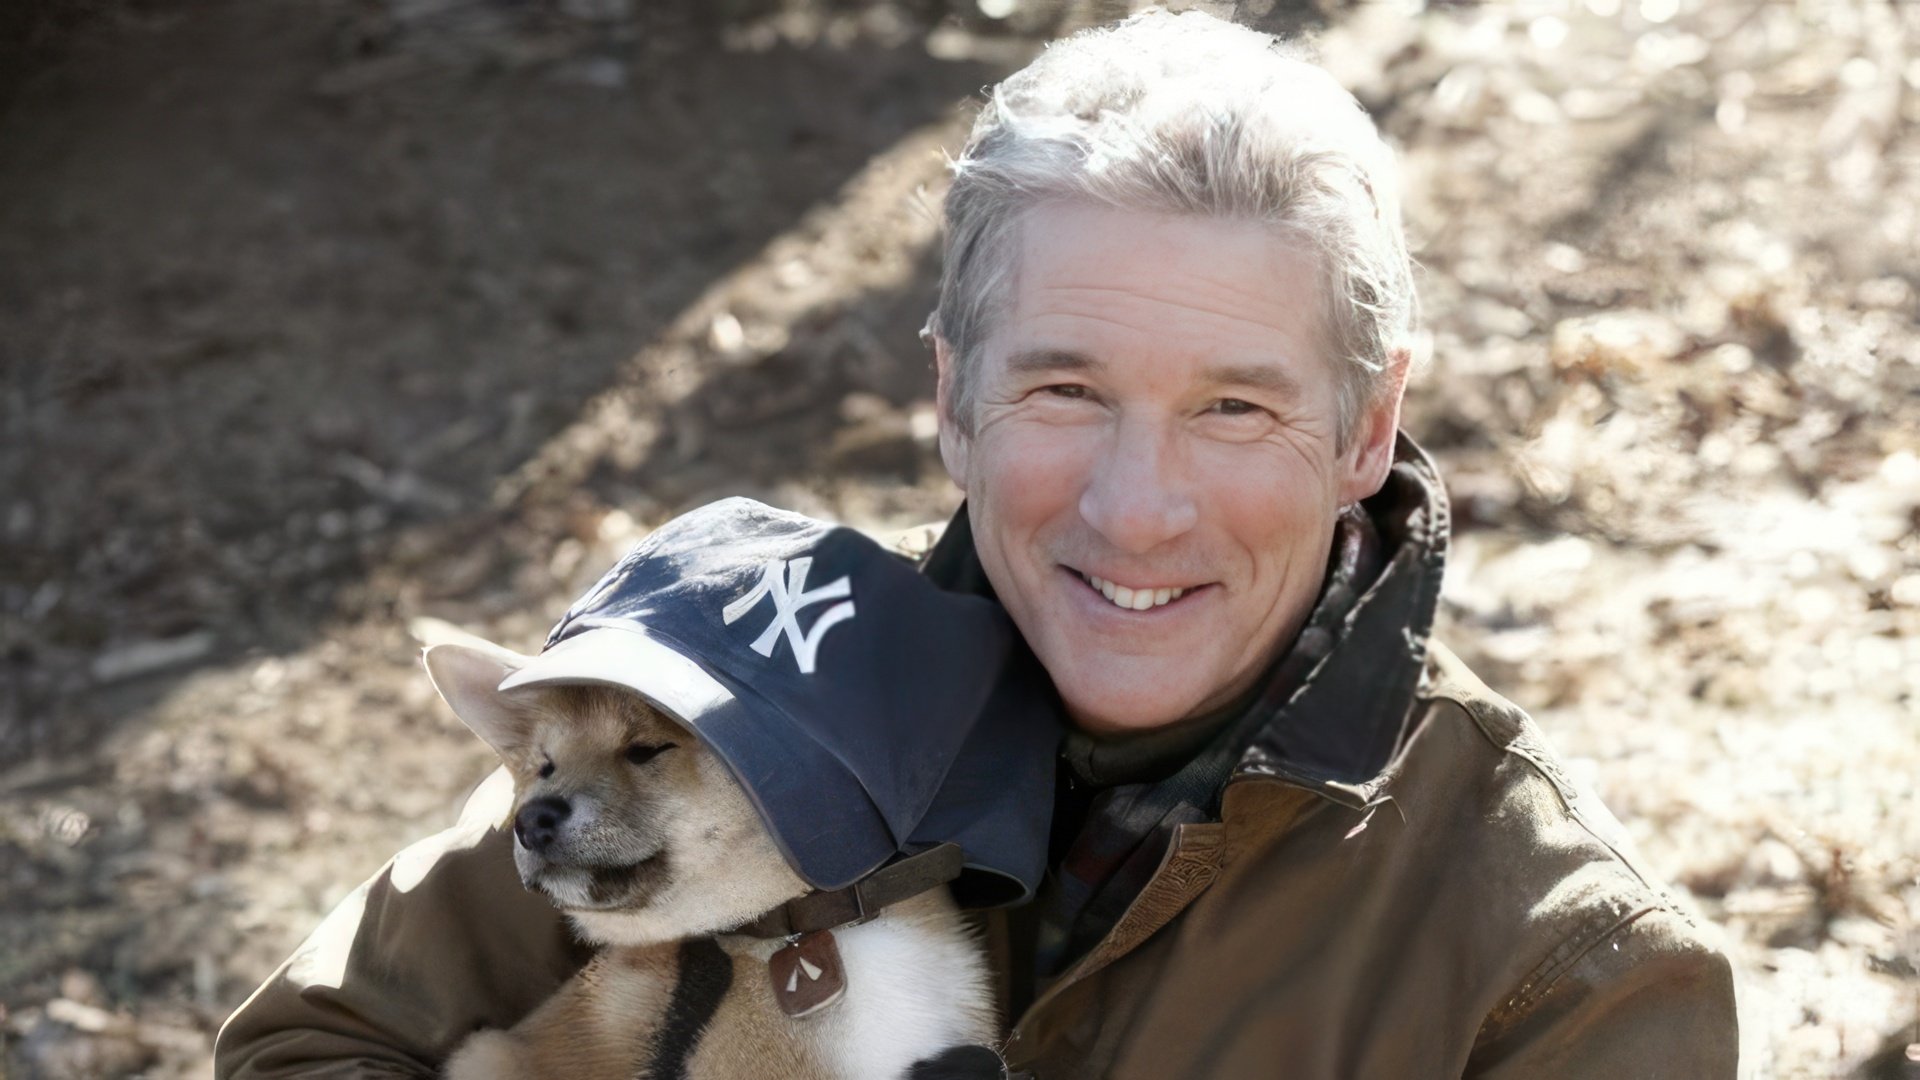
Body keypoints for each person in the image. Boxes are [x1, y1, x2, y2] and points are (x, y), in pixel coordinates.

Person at [216, 10, 1738, 1078]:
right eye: (1066, 389)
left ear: (1363, 432)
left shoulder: (1567, 977)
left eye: (1234, 410)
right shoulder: (733, 692)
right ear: (953, 396)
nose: (1136, 508)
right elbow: (314, 1042)